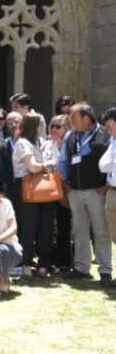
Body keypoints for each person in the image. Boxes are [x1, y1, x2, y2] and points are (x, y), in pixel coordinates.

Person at [59, 103, 113, 286]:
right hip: (74, 191)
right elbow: (63, 160)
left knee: (101, 231)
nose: (70, 121)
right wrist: (65, 184)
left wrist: (107, 186)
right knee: (79, 231)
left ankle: (105, 270)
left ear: (86, 118)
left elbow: (113, 160)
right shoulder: (70, 135)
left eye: (73, 117)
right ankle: (81, 267)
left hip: (97, 191)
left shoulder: (106, 134)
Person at [12, 113, 55, 278]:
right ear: (34, 126)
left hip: (43, 188)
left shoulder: (40, 143)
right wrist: (48, 164)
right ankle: (26, 264)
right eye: (41, 123)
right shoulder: (23, 142)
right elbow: (32, 167)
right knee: (28, 228)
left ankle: (44, 265)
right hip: (26, 188)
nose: (43, 126)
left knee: (45, 227)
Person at [43, 114, 71, 271]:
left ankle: (65, 262)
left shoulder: (72, 145)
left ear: (67, 128)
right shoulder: (46, 145)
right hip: (48, 191)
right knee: (48, 228)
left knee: (64, 227)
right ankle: (50, 261)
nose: (54, 129)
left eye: (58, 126)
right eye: (52, 126)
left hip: (67, 190)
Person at [99, 107, 116, 270]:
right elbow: (103, 166)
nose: (109, 131)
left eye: (110, 126)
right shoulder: (113, 142)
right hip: (112, 192)